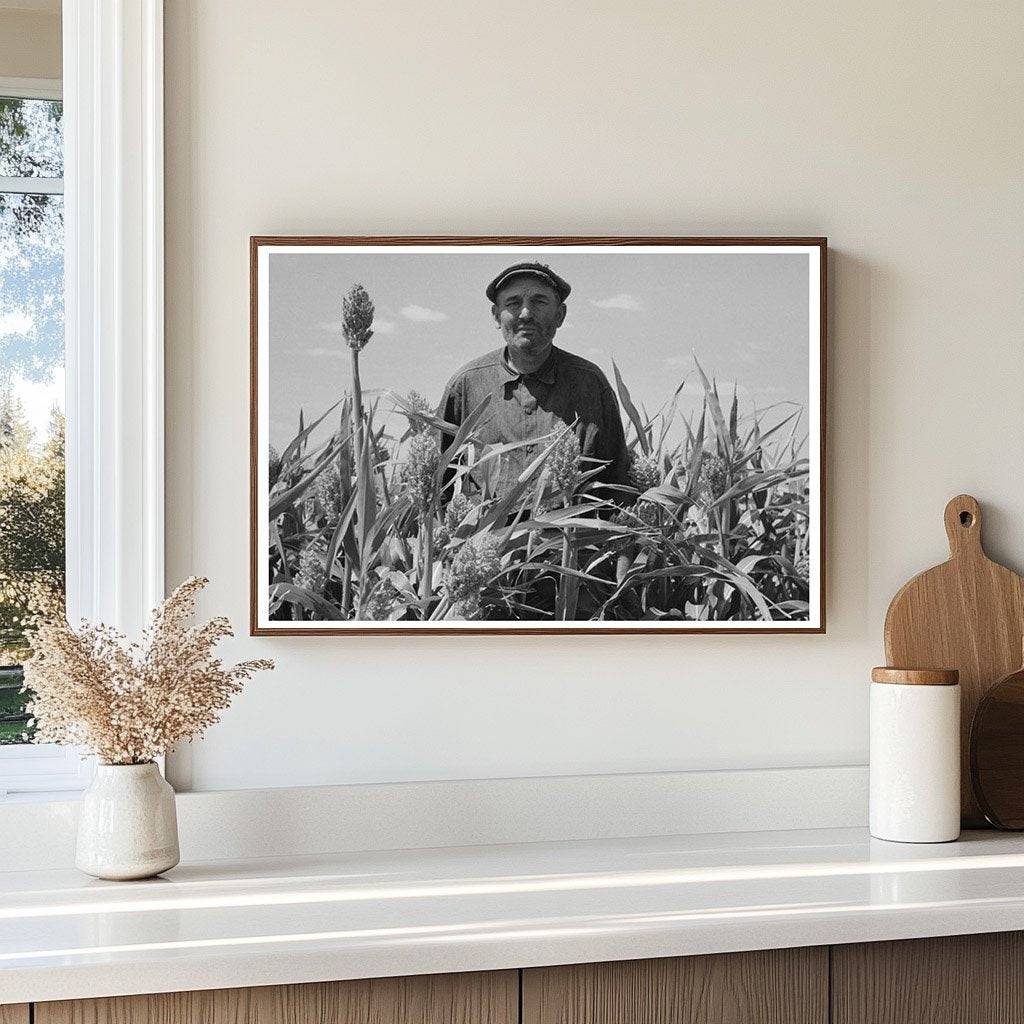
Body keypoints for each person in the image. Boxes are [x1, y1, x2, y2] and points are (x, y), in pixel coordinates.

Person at [438, 262, 630, 499]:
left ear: (560, 315)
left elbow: (616, 482)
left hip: (568, 534)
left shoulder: (590, 384)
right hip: (487, 534)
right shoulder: (466, 385)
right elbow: (439, 487)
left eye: (539, 302)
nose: (526, 313)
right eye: (513, 303)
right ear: (496, 316)